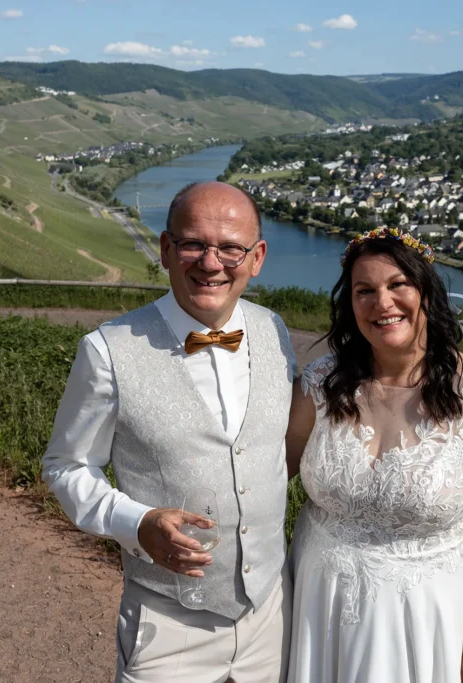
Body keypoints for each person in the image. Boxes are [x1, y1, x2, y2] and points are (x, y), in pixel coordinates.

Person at [42, 181, 296, 683]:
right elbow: (66, 465)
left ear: (257, 256)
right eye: (193, 244)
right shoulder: (106, 350)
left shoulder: (275, 330)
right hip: (167, 625)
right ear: (165, 249)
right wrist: (135, 523)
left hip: (272, 617)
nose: (210, 262)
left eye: (230, 248)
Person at [284, 227, 463, 683]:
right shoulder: (320, 384)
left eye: (398, 285)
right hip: (317, 604)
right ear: (349, 304)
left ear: (427, 294)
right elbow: (266, 477)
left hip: (424, 615)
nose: (382, 302)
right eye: (365, 291)